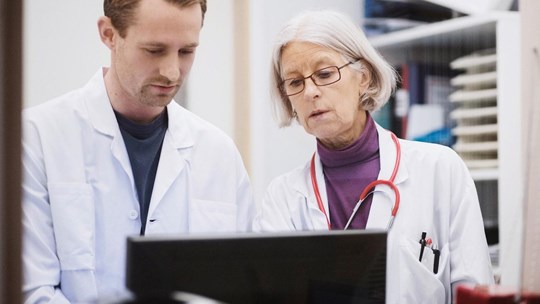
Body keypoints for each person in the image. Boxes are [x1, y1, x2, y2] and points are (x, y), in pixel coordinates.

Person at [252, 10, 494, 303]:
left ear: (363, 78)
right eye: (294, 82)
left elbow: (476, 292)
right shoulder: (283, 199)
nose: (310, 92)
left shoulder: (440, 169)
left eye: (325, 74)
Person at [22, 0, 255, 303]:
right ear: (109, 34)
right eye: (154, 50)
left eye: (187, 51)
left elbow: (244, 285)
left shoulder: (218, 153)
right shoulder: (36, 137)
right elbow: (30, 291)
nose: (172, 72)